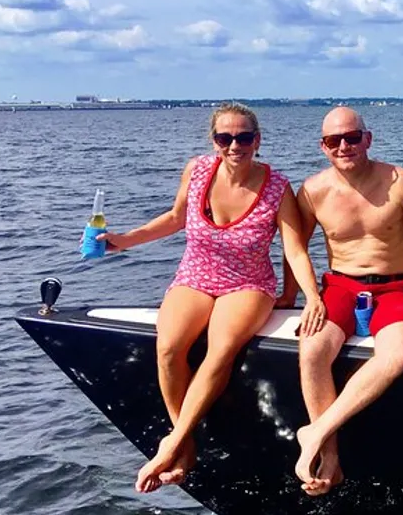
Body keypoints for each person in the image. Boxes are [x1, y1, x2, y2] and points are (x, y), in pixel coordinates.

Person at [99, 102, 324, 494]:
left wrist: (312, 297)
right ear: (214, 140)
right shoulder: (198, 169)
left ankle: (171, 444)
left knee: (219, 351)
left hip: (248, 283)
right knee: (169, 347)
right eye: (225, 137)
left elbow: (294, 249)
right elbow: (174, 217)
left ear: (258, 140)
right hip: (195, 275)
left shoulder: (276, 188)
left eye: (243, 137)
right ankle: (184, 443)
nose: (234, 145)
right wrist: (124, 241)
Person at [281, 106, 403, 496]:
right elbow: (294, 246)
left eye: (352, 137)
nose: (344, 146)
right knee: (312, 348)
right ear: (323, 146)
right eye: (335, 140)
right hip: (339, 286)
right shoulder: (314, 190)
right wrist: (300, 295)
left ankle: (314, 432)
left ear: (368, 138)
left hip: (394, 288)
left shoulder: (399, 182)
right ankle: (329, 458)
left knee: (399, 353)